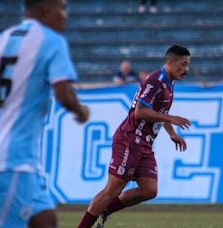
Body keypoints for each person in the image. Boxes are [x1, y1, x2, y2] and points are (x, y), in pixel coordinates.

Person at [0, 0, 89, 227]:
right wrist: (81, 111)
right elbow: (64, 95)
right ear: (47, 10)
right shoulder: (52, 42)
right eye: (62, 8)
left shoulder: (0, 40)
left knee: (46, 220)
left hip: (9, 155)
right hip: (12, 159)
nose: (65, 15)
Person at [78, 45, 192, 228]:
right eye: (183, 64)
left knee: (149, 190)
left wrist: (171, 132)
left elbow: (159, 111)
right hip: (130, 140)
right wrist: (169, 118)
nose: (186, 70)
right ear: (170, 62)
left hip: (144, 144)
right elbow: (140, 112)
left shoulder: (169, 83)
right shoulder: (155, 80)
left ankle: (106, 210)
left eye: (188, 65)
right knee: (112, 190)